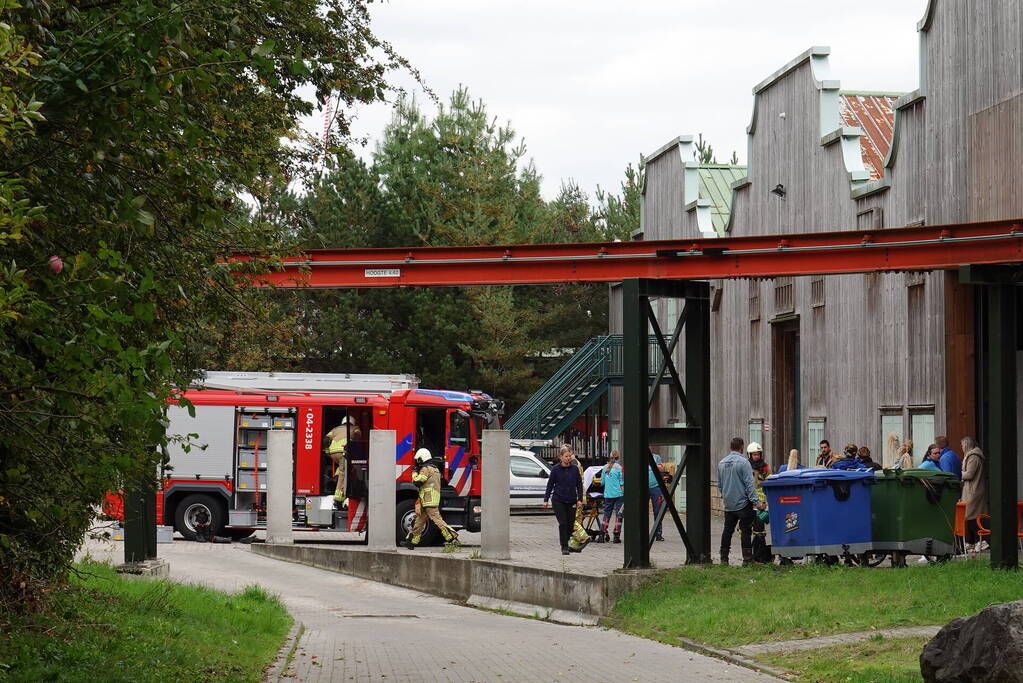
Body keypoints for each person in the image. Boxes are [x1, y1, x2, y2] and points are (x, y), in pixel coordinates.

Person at [718, 437, 764, 565]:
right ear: (742, 448)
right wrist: (757, 502)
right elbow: (749, 485)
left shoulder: (721, 463)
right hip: (743, 504)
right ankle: (747, 560)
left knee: (727, 530)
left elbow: (720, 485)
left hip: (729, 504)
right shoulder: (744, 463)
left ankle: (724, 558)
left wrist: (725, 497)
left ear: (731, 447)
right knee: (746, 531)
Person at [404, 448, 458, 549]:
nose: (417, 462)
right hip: (428, 499)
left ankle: (452, 538)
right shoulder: (435, 469)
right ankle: (410, 542)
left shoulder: (425, 469)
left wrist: (414, 472)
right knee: (419, 522)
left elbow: (418, 481)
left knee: (438, 521)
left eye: (418, 460)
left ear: (422, 458)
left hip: (429, 500)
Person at [543, 445, 584, 555]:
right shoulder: (556, 469)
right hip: (558, 500)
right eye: (566, 456)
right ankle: (564, 546)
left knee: (570, 524)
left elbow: (579, 485)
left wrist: (579, 499)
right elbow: (550, 485)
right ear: (561, 457)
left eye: (570, 456)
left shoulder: (574, 469)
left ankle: (569, 543)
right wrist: (546, 499)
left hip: (571, 500)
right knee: (563, 523)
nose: (568, 458)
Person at [960, 436, 988, 555]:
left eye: (962, 445)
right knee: (969, 516)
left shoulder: (973, 457)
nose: (961, 448)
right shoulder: (973, 456)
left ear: (966, 445)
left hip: (973, 491)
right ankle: (972, 542)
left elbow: (969, 474)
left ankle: (981, 540)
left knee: (970, 515)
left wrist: (959, 473)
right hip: (972, 490)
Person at [325, 416, 360, 505]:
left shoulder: (335, 429)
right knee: (343, 473)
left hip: (333, 453)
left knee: (341, 468)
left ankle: (334, 479)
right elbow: (357, 437)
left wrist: (327, 451)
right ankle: (338, 498)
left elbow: (325, 439)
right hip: (343, 451)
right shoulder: (355, 428)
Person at [746, 442, 771, 563]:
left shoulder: (765, 467)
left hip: (761, 504)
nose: (756, 456)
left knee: (760, 530)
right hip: (749, 503)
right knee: (745, 530)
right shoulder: (746, 467)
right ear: (750, 455)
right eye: (754, 454)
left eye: (758, 454)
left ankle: (758, 555)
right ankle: (749, 555)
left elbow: (770, 481)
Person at [600, 450, 624, 544]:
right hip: (619, 494)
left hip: (608, 494)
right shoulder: (619, 468)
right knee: (619, 514)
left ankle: (602, 533)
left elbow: (602, 482)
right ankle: (616, 535)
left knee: (607, 514)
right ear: (618, 458)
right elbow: (622, 482)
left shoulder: (605, 467)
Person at [647, 449, 665, 541]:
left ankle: (658, 533)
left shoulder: (656, 457)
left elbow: (662, 468)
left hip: (656, 488)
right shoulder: (638, 456)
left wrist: (653, 463)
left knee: (657, 511)